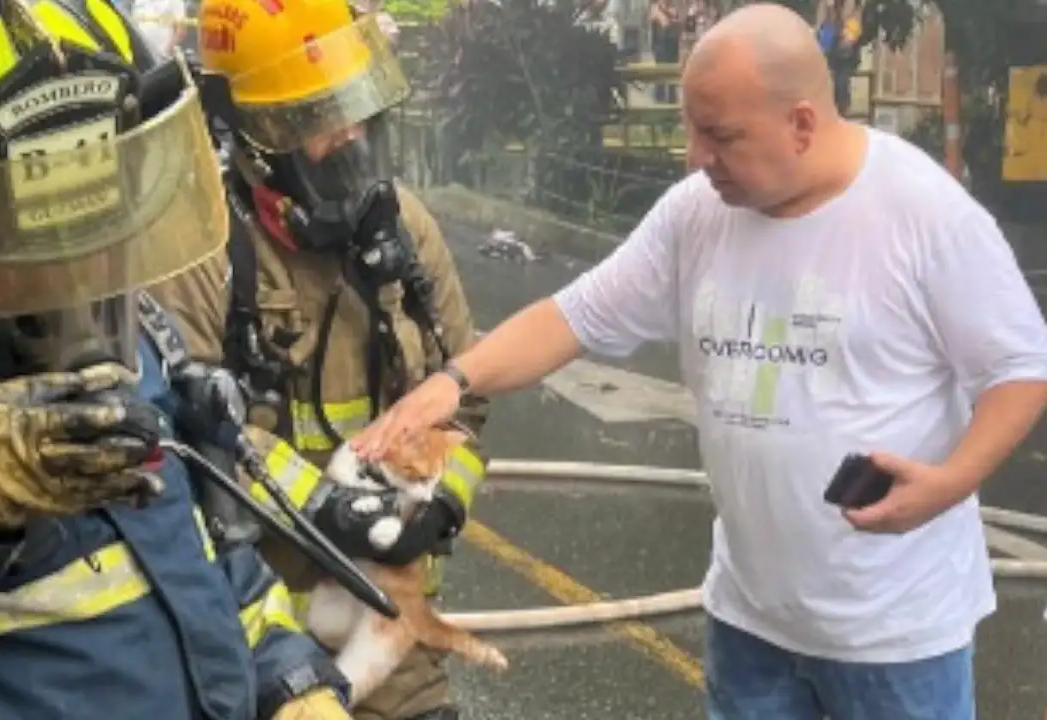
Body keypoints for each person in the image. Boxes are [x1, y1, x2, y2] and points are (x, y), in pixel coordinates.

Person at [353, 4, 1047, 719]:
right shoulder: (696, 214)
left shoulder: (924, 215)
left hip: (895, 639)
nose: (694, 157)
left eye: (720, 136)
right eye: (691, 129)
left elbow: (1019, 367)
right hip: (750, 624)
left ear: (802, 124)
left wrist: (950, 483)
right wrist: (452, 381)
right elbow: (573, 316)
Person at [0, 2, 360, 718]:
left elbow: (204, 561)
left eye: (95, 222)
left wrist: (292, 682)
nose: (79, 274)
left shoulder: (133, 334)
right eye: (31, 240)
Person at [148, 0, 490, 717]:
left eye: (355, 102)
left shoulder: (407, 228)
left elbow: (468, 390)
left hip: (393, 644)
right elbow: (178, 436)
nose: (350, 133)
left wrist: (447, 500)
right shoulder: (199, 248)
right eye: (315, 116)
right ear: (252, 136)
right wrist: (325, 506)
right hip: (260, 643)